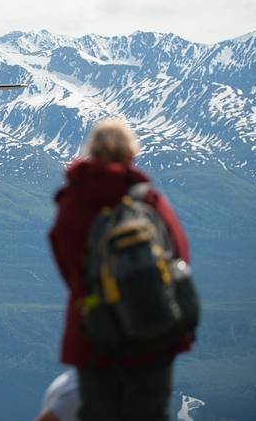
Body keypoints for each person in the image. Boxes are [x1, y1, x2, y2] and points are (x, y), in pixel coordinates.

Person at [48, 118, 193, 421]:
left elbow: (69, 268)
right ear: (131, 153)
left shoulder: (73, 203)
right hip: (152, 326)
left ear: (93, 151)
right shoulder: (148, 200)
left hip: (95, 331)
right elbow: (179, 254)